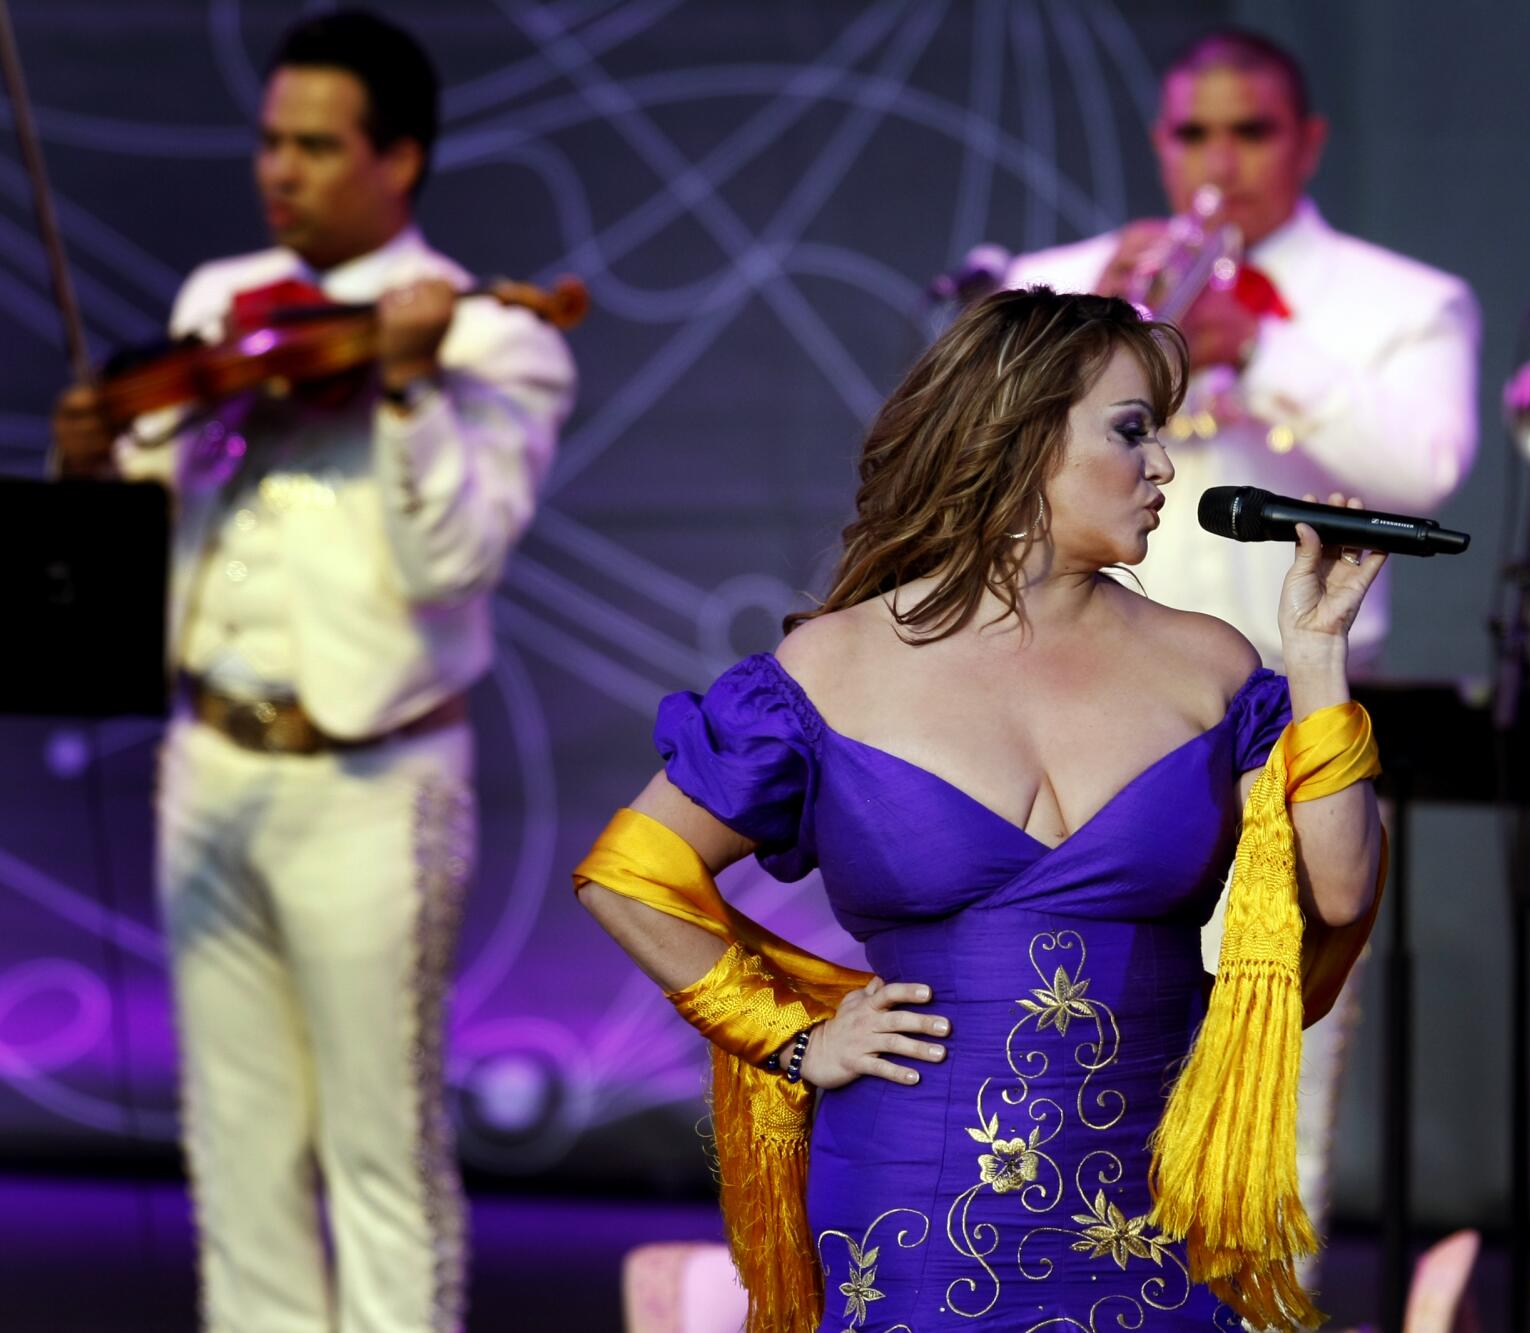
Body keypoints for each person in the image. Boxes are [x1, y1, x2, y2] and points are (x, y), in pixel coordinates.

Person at [574, 288, 1385, 1329]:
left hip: (1151, 1192)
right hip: (909, 1189)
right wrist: (786, 1036)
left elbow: (1343, 883)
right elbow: (630, 874)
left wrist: (1317, 657)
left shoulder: (1211, 663)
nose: (1163, 468)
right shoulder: (834, 664)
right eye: (1131, 431)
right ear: (1018, 435)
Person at [49, 10, 576, 1329]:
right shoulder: (219, 310)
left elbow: (450, 558)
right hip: (207, 758)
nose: (280, 170)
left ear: (399, 159)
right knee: (235, 1141)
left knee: (378, 1143)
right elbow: (160, 512)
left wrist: (401, 394)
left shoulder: (495, 340)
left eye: (317, 147)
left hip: (373, 780)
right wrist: (101, 466)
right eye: (270, 142)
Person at [1005, 25, 1478, 1236]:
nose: (1220, 160)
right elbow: (985, 475)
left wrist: (1257, 347)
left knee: (1267, 1110)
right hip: (1066, 735)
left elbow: (1423, 468)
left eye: (1251, 130)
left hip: (1277, 744)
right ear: (1161, 143)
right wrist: (1093, 328)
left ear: (1306, 141)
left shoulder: (1398, 303)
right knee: (1058, 1089)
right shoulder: (1058, 279)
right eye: (1194, 133)